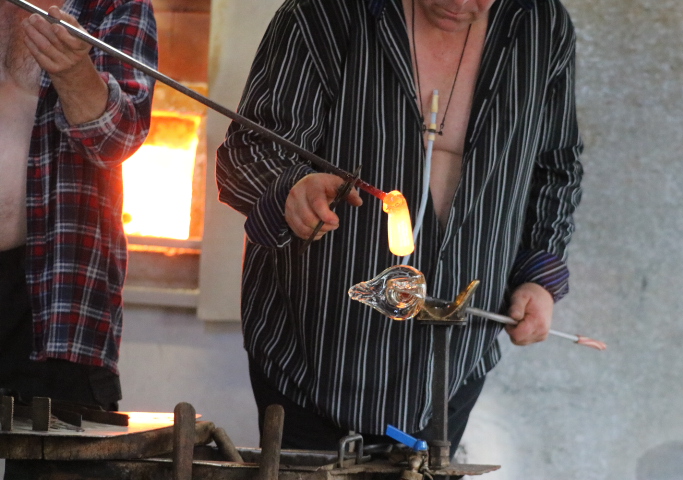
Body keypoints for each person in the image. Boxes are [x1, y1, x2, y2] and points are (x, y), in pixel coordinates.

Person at [217, 0, 583, 456]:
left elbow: (556, 166)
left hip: (452, 362)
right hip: (314, 349)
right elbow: (249, 151)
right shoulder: (325, 12)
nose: (458, 3)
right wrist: (291, 190)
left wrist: (538, 278)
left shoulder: (541, 25)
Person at [0, 0, 157, 416]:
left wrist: (74, 73)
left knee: (61, 444)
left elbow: (119, 142)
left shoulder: (113, 6)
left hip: (59, 290)